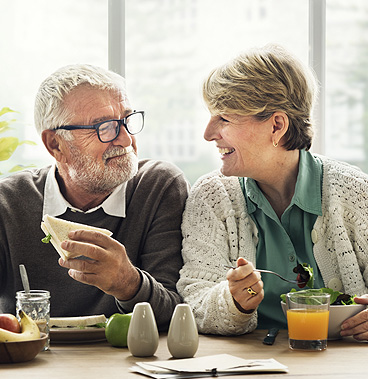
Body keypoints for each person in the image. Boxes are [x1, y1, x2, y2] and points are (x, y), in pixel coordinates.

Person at [177, 44, 368, 340]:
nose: (208, 133)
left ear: (276, 125)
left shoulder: (355, 192)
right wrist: (234, 302)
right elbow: (195, 300)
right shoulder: (211, 196)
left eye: (224, 118)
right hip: (248, 369)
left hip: (345, 372)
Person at [0, 64, 189, 330]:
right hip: (30, 361)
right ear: (56, 144)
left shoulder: (159, 186)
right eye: (105, 127)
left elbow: (178, 314)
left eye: (127, 120)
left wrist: (128, 283)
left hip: (128, 363)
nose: (125, 139)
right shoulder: (8, 202)